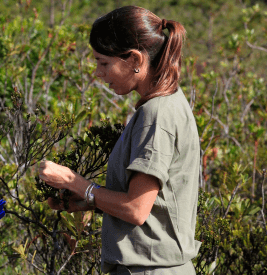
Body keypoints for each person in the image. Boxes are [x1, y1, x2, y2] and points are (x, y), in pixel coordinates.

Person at [36, 6, 201, 275]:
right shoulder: (166, 104)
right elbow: (151, 205)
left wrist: (74, 182)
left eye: (103, 63)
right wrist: (89, 200)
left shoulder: (156, 114)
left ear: (135, 59)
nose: (98, 73)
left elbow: (137, 209)